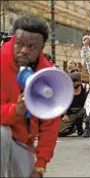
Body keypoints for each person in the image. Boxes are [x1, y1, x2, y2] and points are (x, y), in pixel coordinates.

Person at [0, 15, 60, 177]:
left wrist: (40, 164)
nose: (23, 50)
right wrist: (15, 110)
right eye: (18, 44)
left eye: (31, 46)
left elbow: (50, 124)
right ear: (13, 39)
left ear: (42, 48)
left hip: (22, 141)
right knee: (2, 132)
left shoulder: (47, 75)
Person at [58, 71, 90, 137]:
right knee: (59, 132)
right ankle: (73, 127)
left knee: (89, 110)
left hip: (82, 111)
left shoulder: (85, 88)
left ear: (80, 81)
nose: (75, 83)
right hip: (70, 114)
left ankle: (86, 129)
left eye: (77, 81)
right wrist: (62, 115)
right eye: (73, 81)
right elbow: (59, 103)